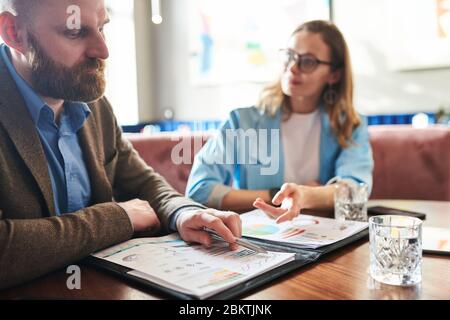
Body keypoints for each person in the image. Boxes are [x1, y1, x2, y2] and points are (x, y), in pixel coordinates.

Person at [0, 0, 241, 290]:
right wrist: (118, 218)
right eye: (74, 33)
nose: (103, 50)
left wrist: (183, 212)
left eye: (102, 28)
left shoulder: (94, 104)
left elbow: (142, 182)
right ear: (13, 32)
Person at [186, 20, 373, 223]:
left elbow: (355, 189)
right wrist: (277, 195)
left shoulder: (351, 125)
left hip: (322, 237)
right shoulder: (242, 121)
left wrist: (305, 195)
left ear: (334, 75)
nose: (293, 67)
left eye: (308, 61)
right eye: (289, 56)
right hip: (260, 236)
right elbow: (199, 189)